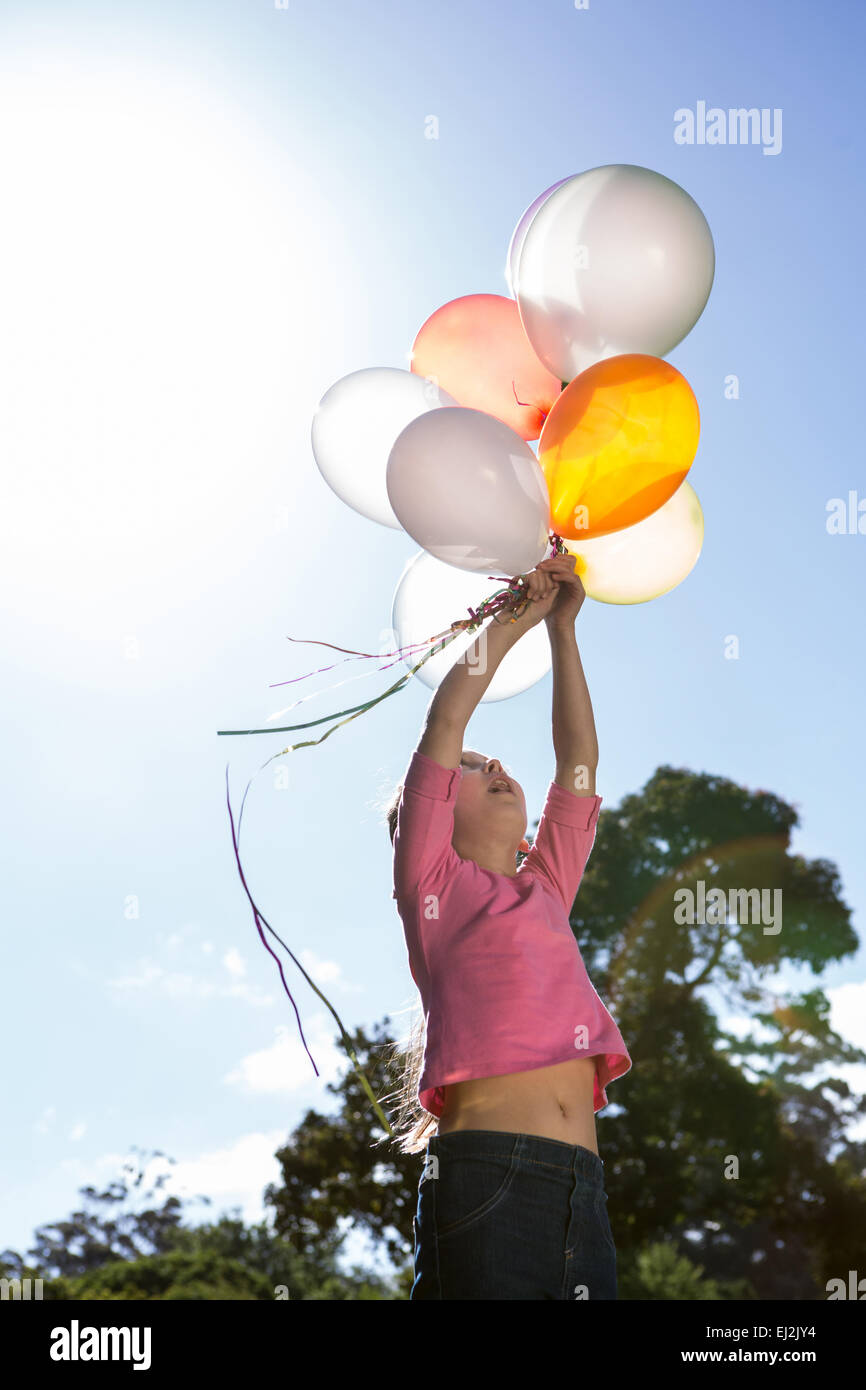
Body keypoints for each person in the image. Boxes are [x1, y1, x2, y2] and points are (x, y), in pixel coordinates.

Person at [388, 553, 631, 1299]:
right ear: (429, 817)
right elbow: (447, 717)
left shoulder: (546, 889)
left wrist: (564, 631)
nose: (490, 758)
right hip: (487, 1179)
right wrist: (513, 621)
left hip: (582, 1192)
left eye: (491, 758)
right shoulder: (433, 883)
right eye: (467, 767)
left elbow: (579, 765)